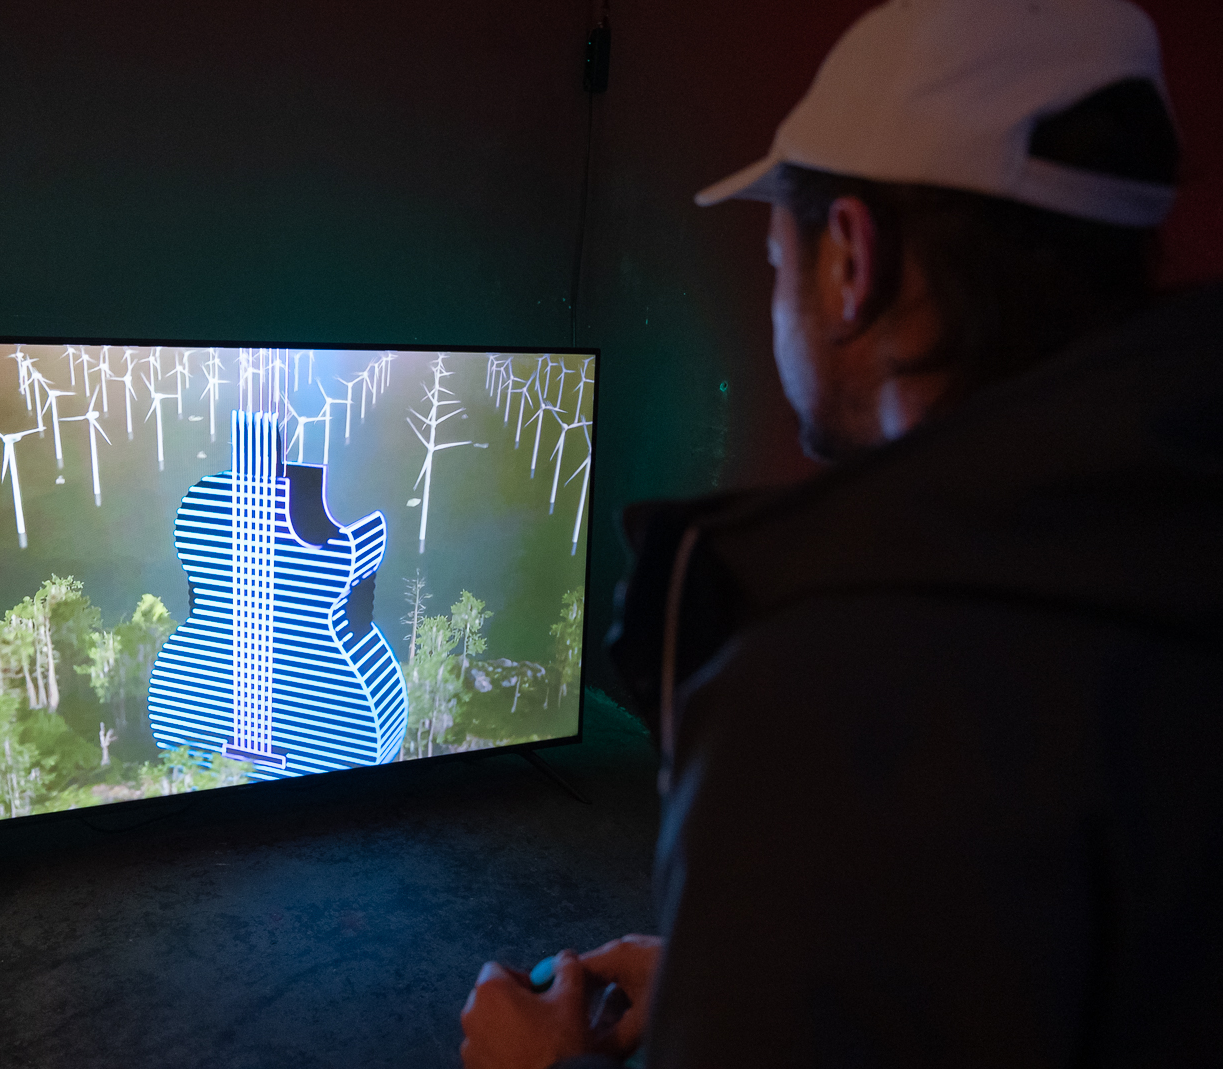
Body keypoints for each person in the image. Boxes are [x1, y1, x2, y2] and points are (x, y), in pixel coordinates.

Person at [460, 0, 1221, 1066]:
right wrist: (744, 974)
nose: (778, 299)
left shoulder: (826, 691)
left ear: (851, 260)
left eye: (778, 261)